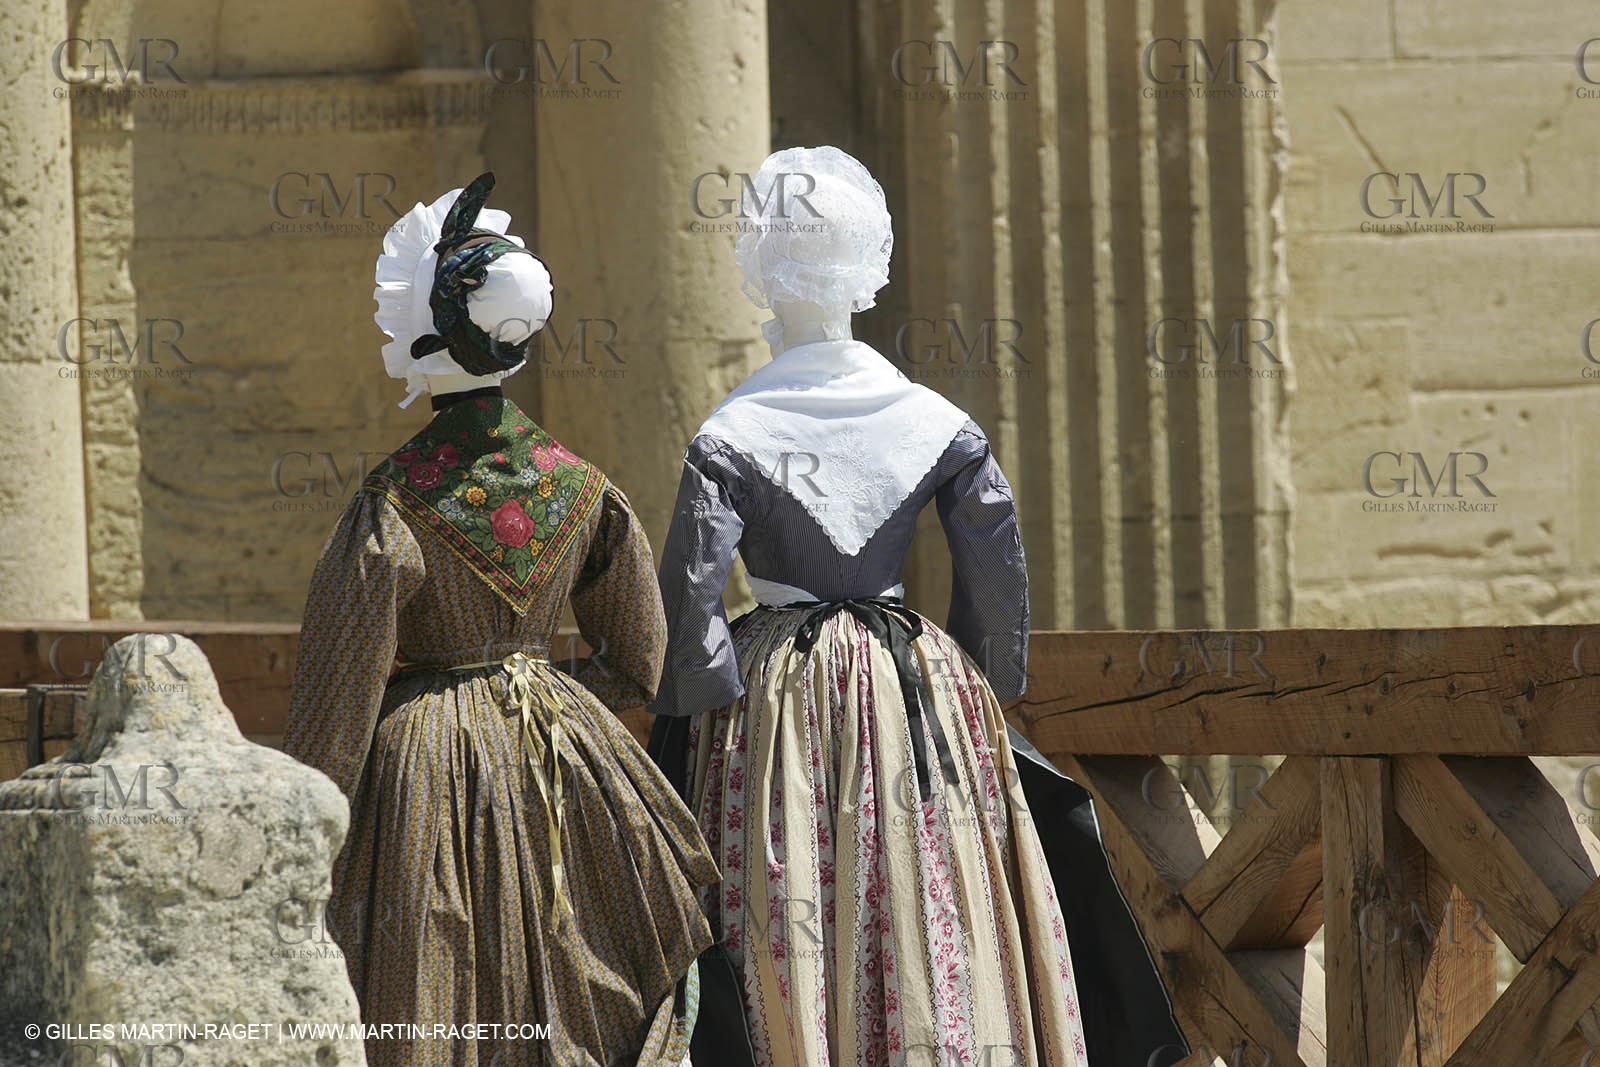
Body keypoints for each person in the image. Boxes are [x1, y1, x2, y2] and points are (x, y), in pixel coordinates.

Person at [649, 147, 1188, 1066]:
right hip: (918, 689)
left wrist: (702, 698)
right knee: (929, 877)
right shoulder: (933, 417)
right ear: (865, 269)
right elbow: (996, 566)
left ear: (764, 273)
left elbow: (691, 597)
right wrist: (980, 675)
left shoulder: (732, 429)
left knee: (792, 890)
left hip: (786, 699)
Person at [285, 172, 715, 1067]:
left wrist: (309, 826)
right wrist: (550, 693)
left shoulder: (392, 502)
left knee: (428, 981)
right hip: (564, 749)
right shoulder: (584, 486)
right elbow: (639, 657)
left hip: (422, 773)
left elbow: (334, 711)